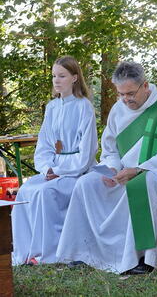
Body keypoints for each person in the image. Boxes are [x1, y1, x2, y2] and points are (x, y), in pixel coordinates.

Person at [56, 61, 157, 274]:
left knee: (141, 185)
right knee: (85, 183)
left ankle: (140, 260)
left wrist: (138, 170)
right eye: (121, 94)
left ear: (145, 86)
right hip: (121, 173)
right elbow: (110, 149)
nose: (126, 99)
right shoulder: (118, 110)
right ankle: (85, 252)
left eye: (130, 93)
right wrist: (111, 168)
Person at [12, 55, 98, 265]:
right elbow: (45, 146)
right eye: (54, 76)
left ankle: (48, 253)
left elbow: (87, 152)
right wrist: (47, 168)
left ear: (75, 77)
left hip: (78, 171)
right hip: (54, 169)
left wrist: (62, 170)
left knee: (45, 192)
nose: (56, 80)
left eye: (62, 76)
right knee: (25, 190)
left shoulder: (83, 106)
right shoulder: (52, 107)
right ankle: (24, 251)